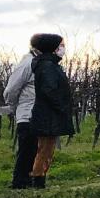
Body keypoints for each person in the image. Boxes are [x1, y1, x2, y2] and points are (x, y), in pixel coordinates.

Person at [27, 34, 76, 188]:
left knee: (47, 148)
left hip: (48, 114)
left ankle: (40, 178)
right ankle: (38, 180)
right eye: (61, 45)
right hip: (48, 115)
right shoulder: (47, 66)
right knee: (45, 149)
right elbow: (50, 90)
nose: (63, 48)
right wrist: (61, 105)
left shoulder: (47, 65)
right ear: (53, 48)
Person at [0, 39, 39, 190]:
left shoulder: (37, 62)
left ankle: (28, 180)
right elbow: (11, 89)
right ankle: (20, 182)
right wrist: (14, 105)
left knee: (33, 149)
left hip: (34, 113)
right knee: (26, 149)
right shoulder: (27, 63)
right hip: (27, 113)